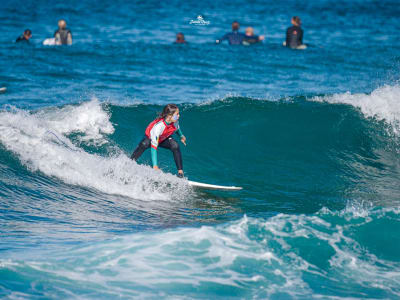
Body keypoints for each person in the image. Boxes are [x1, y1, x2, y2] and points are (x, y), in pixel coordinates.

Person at [131, 104, 187, 178]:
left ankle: (180, 173)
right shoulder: (159, 127)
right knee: (144, 144)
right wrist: (155, 166)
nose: (179, 116)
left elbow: (177, 128)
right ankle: (130, 162)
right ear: (170, 116)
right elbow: (154, 148)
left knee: (175, 146)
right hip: (151, 137)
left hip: (163, 138)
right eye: (177, 114)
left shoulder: (175, 121)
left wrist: (181, 136)